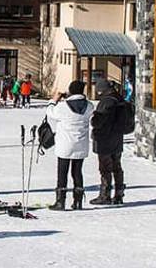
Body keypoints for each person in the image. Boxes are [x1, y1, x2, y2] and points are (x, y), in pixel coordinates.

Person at [45, 80, 94, 211]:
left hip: (65, 144)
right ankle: (78, 202)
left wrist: (53, 100)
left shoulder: (63, 107)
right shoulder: (89, 106)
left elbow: (50, 112)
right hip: (81, 144)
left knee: (62, 172)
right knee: (77, 172)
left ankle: (60, 202)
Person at [90, 79, 127, 205]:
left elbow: (98, 122)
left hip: (105, 139)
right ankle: (119, 194)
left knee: (105, 168)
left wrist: (94, 118)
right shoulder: (119, 99)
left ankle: (105, 195)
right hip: (117, 137)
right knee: (117, 166)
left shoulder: (106, 102)